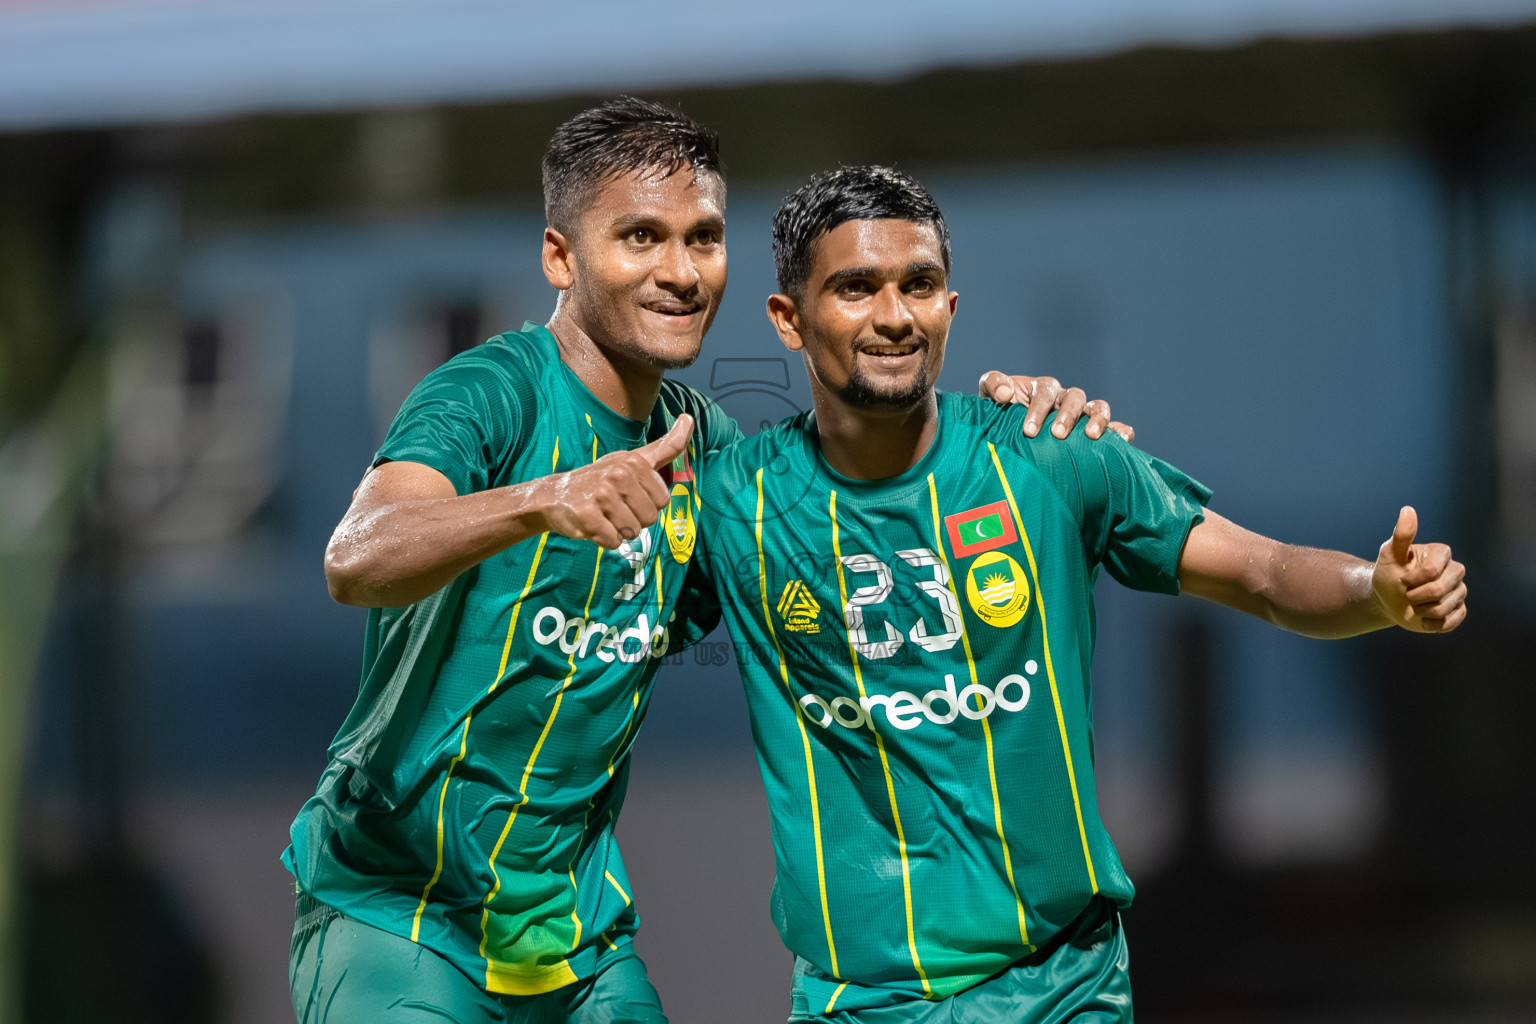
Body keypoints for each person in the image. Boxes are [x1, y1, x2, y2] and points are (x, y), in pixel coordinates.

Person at [284, 99, 1123, 1023]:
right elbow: (355, 559)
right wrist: (542, 499)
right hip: (398, 911)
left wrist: (1015, 421)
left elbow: (863, 497)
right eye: (641, 237)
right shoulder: (492, 393)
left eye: (704, 238)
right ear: (561, 257)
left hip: (572, 940)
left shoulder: (703, 448)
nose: (680, 272)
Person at [690, 165, 1467, 1022]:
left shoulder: (1052, 454)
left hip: (1061, 990)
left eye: (919, 284)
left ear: (951, 308)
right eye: (855, 287)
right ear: (788, 321)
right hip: (861, 1002)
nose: (894, 315)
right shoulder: (735, 501)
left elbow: (1266, 573)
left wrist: (1380, 591)